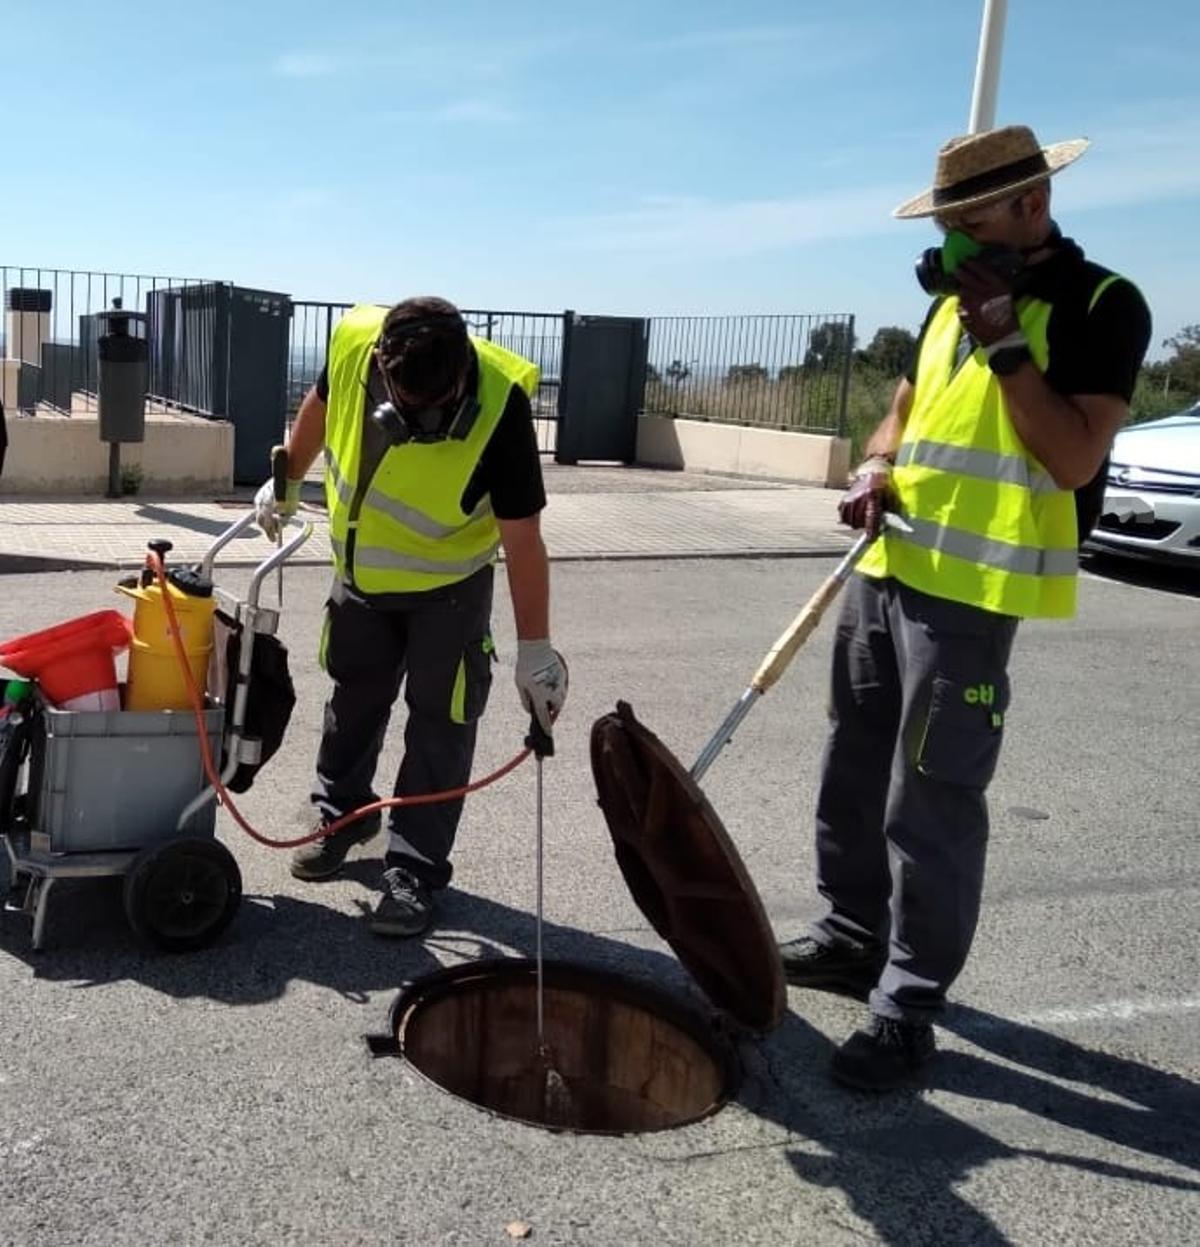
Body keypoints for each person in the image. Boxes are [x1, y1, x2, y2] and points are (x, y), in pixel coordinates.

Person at [778, 126, 1151, 1091]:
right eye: (944, 224)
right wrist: (874, 465)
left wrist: (1008, 347)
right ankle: (852, 934)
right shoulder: (952, 304)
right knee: (851, 769)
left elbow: (1073, 459)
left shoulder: (1101, 303)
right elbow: (899, 415)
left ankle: (908, 1005)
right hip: (889, 563)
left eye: (966, 220)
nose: (948, 242)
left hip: (976, 595)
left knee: (931, 804)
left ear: (1030, 205)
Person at [255, 297, 567, 937]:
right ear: (381, 366)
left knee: (440, 725)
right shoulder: (353, 346)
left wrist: (536, 648)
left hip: (448, 591)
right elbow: (319, 405)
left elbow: (523, 536)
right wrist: (288, 480)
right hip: (361, 577)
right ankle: (342, 815)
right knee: (353, 699)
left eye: (443, 400)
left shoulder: (500, 402)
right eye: (414, 400)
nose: (428, 416)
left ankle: (415, 869)